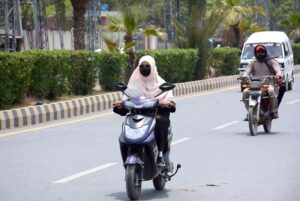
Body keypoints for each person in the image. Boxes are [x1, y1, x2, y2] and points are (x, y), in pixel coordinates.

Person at [116, 55, 175, 168]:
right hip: (137, 114)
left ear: (152, 67)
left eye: (147, 66)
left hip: (155, 114)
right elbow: (126, 97)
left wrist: (167, 103)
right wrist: (121, 104)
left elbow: (169, 99)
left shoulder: (160, 83)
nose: (144, 68)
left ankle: (161, 154)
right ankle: (128, 151)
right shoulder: (134, 83)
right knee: (126, 124)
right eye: (142, 66)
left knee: (161, 121)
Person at [242, 44, 283, 120]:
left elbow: (278, 70)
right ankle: (249, 112)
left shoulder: (271, 61)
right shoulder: (253, 62)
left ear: (265, 52)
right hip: (255, 85)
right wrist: (245, 76)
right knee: (245, 92)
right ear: (255, 53)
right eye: (258, 52)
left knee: (271, 91)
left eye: (262, 52)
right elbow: (247, 71)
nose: (260, 53)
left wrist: (278, 74)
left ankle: (273, 111)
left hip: (269, 84)